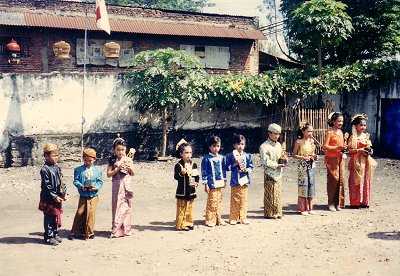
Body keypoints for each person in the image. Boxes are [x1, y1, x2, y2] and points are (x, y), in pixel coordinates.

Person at [68, 148, 103, 240]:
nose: (87, 162)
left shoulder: (98, 170)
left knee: (91, 213)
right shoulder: (78, 170)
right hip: (83, 195)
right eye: (85, 160)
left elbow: (100, 182)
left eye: (90, 160)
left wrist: (96, 187)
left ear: (94, 159)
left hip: (93, 195)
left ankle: (89, 232)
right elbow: (75, 181)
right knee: (80, 212)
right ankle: (75, 230)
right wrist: (81, 186)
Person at [39, 143, 67, 246]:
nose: (56, 158)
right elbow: (47, 186)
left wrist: (64, 193)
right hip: (48, 198)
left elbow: (62, 181)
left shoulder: (57, 168)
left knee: (56, 216)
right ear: (46, 156)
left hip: (57, 197)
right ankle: (48, 236)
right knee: (49, 217)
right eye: (53, 156)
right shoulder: (44, 170)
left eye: (57, 155)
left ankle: (55, 233)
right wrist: (54, 196)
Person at [107, 135, 135, 238]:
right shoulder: (112, 160)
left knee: (127, 207)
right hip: (117, 185)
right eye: (118, 149)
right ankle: (116, 230)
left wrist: (129, 167)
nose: (120, 152)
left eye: (123, 149)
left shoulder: (128, 159)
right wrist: (117, 169)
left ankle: (126, 229)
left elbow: (133, 173)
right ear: (114, 149)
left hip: (126, 185)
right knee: (117, 206)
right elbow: (108, 174)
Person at [347, 114, 377, 208]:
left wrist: (370, 151)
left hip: (365, 161)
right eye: (361, 125)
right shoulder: (353, 137)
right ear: (356, 126)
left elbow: (369, 148)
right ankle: (355, 202)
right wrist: (359, 150)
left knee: (365, 180)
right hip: (356, 161)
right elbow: (349, 150)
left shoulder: (366, 136)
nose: (363, 127)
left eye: (364, 125)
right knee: (355, 180)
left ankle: (365, 202)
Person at [225, 134, 254, 225]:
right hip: (235, 181)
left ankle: (243, 217)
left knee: (243, 200)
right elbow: (227, 167)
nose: (240, 146)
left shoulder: (247, 156)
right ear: (234, 145)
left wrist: (246, 170)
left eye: (242, 144)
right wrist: (235, 164)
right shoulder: (230, 155)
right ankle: (233, 218)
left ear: (245, 145)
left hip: (244, 180)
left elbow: (251, 167)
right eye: (238, 144)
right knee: (235, 200)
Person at [292, 122, 319, 215]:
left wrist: (315, 156)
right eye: (308, 131)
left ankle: (310, 208)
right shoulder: (298, 142)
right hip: (302, 166)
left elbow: (312, 153)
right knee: (303, 185)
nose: (311, 133)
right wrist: (303, 158)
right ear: (303, 131)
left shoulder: (312, 141)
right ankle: (302, 208)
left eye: (312, 131)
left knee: (311, 185)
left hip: (311, 165)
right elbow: (294, 155)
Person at [322, 112, 347, 212]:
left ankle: (338, 203)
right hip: (331, 158)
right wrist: (337, 147)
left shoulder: (340, 132)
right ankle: (331, 203)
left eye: (342, 120)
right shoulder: (330, 132)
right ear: (333, 121)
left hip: (340, 158)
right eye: (339, 120)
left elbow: (341, 146)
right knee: (333, 180)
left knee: (340, 179)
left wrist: (343, 148)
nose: (341, 122)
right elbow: (324, 146)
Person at [259, 123, 285, 219]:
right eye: (275, 133)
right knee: (270, 193)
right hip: (269, 173)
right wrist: (276, 165)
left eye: (278, 134)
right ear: (269, 133)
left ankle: (278, 212)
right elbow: (265, 161)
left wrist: (284, 159)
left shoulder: (278, 145)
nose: (277, 136)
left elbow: (281, 156)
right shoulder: (264, 146)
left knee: (277, 192)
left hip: (278, 173)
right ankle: (269, 213)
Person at [201, 135, 227, 227]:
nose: (216, 148)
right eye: (214, 146)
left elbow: (223, 170)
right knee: (212, 201)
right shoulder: (206, 158)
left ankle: (218, 219)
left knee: (219, 201)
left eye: (218, 146)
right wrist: (205, 184)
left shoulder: (221, 158)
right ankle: (210, 220)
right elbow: (204, 172)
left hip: (220, 183)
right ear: (210, 147)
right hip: (211, 183)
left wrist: (224, 180)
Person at [174, 139, 199, 231]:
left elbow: (196, 175)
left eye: (190, 152)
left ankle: (189, 222)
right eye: (186, 152)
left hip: (191, 190)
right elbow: (176, 177)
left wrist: (196, 183)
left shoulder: (194, 164)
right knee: (182, 207)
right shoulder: (178, 165)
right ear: (181, 154)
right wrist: (182, 173)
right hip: (182, 190)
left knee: (189, 207)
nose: (189, 155)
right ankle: (180, 224)